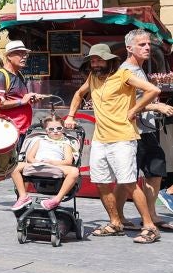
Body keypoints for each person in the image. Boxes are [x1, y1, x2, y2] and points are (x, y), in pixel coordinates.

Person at [65, 41, 161, 243]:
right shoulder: (93, 77)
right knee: (100, 182)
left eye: (99, 59)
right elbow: (78, 94)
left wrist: (134, 110)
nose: (95, 63)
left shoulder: (123, 75)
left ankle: (150, 227)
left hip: (123, 138)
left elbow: (153, 90)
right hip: (101, 139)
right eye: (92, 60)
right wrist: (70, 116)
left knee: (128, 183)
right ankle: (115, 222)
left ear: (109, 60)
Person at [117, 30, 173, 230]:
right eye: (141, 45)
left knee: (155, 170)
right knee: (128, 177)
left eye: (148, 44)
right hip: (132, 131)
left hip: (146, 130)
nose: (147, 47)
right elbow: (126, 103)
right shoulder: (126, 71)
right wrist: (155, 106)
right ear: (129, 48)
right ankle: (119, 218)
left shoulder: (139, 69)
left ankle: (152, 214)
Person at [0, 40, 43, 199]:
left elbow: (19, 98)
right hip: (9, 130)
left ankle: (21, 199)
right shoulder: (1, 75)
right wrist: (21, 101)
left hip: (22, 129)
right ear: (9, 56)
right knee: (5, 170)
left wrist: (29, 99)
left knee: (19, 168)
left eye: (25, 54)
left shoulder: (19, 74)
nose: (24, 57)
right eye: (20, 53)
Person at [9, 114, 79, 211]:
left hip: (55, 166)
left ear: (63, 129)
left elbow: (68, 161)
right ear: (46, 131)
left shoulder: (65, 143)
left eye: (59, 128)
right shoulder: (39, 141)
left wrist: (52, 162)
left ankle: (57, 199)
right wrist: (36, 162)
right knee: (14, 166)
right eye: (51, 129)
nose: (55, 131)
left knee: (74, 171)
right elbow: (29, 157)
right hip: (37, 165)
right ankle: (23, 196)